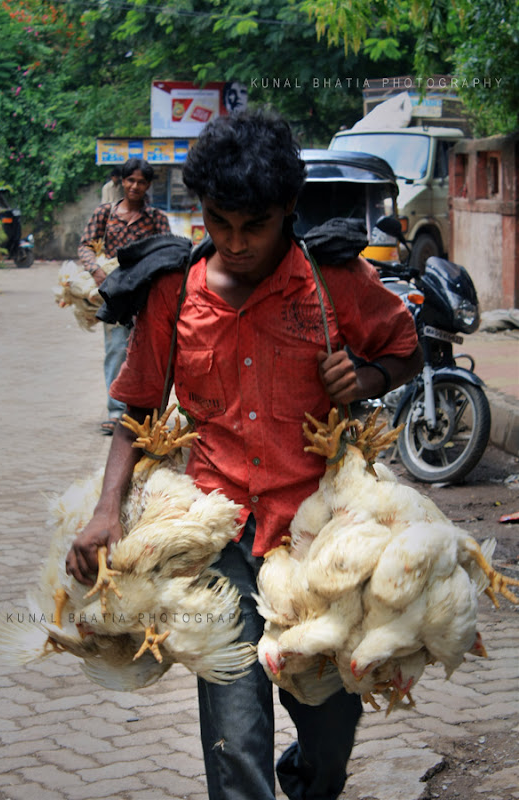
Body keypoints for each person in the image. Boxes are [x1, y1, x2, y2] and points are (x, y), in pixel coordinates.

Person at [67, 109, 423, 799]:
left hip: (318, 541)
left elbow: (402, 347)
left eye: (251, 227)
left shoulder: (333, 283)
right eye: (216, 224)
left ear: (287, 209)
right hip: (217, 535)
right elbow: (136, 407)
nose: (233, 244)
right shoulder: (172, 292)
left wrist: (369, 377)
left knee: (328, 736)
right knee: (233, 740)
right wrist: (105, 510)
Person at [78, 157, 171, 435]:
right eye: (130, 180)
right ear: (122, 181)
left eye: (141, 182)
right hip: (114, 293)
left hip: (145, 294)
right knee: (116, 350)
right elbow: (85, 246)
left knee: (146, 351)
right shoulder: (105, 214)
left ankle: (143, 412)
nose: (135, 186)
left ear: (148, 185)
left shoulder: (156, 219)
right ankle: (116, 410)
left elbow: (168, 253)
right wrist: (95, 269)